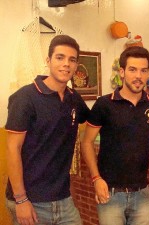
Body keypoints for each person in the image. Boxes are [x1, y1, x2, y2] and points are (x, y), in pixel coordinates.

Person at [81, 46, 149, 225]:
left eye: (143, 70)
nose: (138, 76)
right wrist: (96, 179)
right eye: (132, 70)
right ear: (122, 72)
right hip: (110, 192)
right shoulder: (104, 104)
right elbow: (86, 143)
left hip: (141, 192)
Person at [5, 35, 90, 225]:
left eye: (72, 59)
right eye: (60, 57)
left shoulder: (73, 98)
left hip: (63, 198)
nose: (66, 64)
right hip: (30, 200)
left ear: (76, 66)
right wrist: (21, 200)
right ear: (48, 60)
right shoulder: (25, 97)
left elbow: (95, 121)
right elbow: (12, 149)